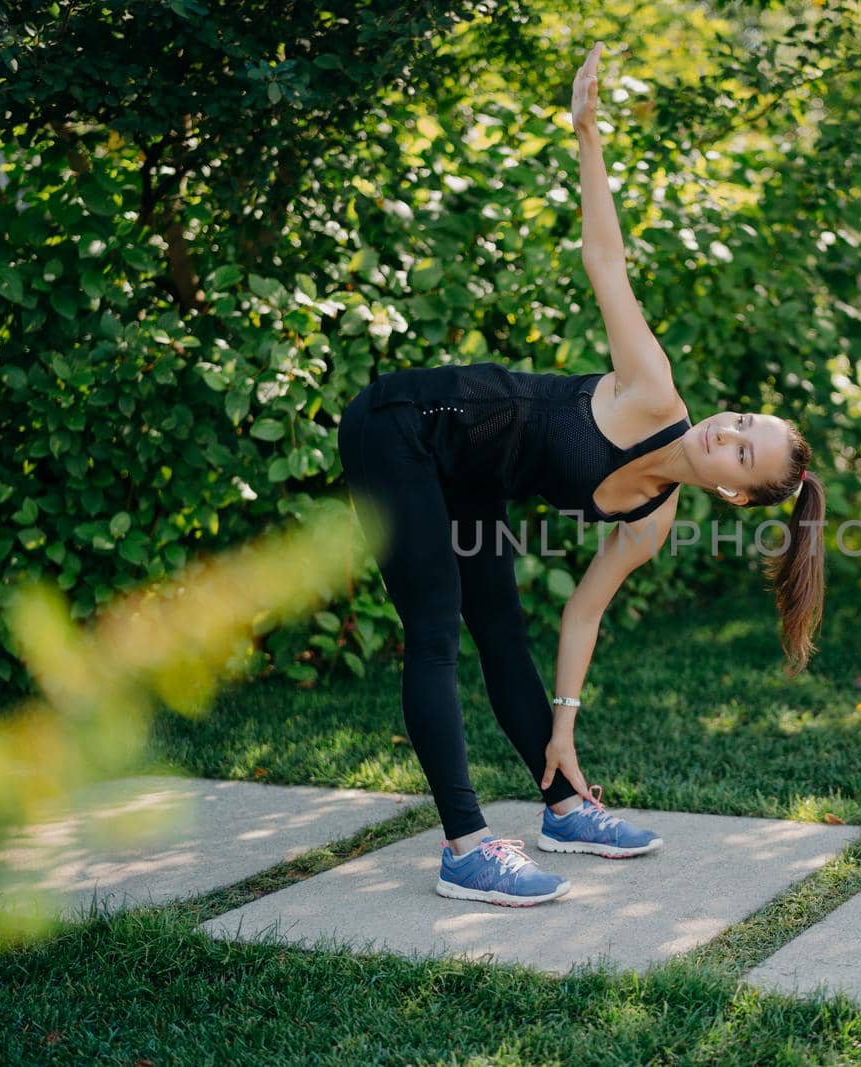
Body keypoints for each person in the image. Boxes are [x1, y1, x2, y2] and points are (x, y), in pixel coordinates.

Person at [335, 41, 826, 907]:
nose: (726, 430)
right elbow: (608, 263)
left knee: (505, 629)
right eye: (742, 421)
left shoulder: (655, 517)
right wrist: (587, 136)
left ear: (734, 492)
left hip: (468, 478)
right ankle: (466, 844)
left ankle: (562, 800)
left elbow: (583, 612)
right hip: (402, 427)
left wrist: (565, 727)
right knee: (438, 628)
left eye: (741, 450)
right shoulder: (652, 389)